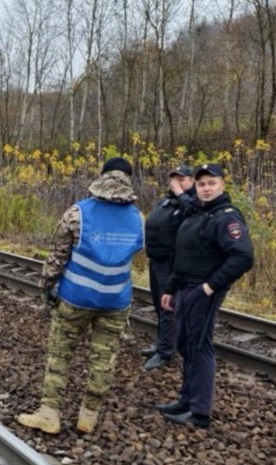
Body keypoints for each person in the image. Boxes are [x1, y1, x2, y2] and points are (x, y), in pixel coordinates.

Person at [17, 157, 144, 435]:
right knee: (103, 359)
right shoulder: (139, 218)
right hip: (116, 301)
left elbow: (57, 257)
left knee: (60, 354)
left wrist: (46, 286)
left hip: (75, 298)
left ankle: (49, 413)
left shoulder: (78, 212)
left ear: (101, 176)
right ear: (128, 179)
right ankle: (88, 417)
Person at [155, 163, 254, 428]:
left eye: (211, 183)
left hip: (202, 292)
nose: (206, 189)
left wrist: (210, 287)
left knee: (199, 347)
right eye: (201, 184)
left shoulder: (226, 217)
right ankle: (186, 400)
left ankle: (200, 412)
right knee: (186, 344)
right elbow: (184, 253)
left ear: (222, 184)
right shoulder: (199, 212)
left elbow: (243, 256)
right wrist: (170, 288)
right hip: (184, 289)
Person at [141, 165, 197, 371]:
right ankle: (162, 345)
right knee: (159, 304)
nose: (176, 182)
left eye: (181, 179)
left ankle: (165, 352)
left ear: (191, 181)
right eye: (174, 178)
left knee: (168, 307)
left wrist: (182, 194)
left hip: (173, 262)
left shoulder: (192, 201)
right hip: (157, 259)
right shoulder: (167, 200)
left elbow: (193, 215)